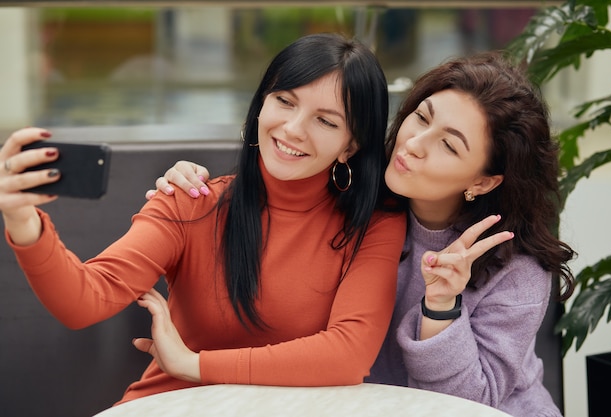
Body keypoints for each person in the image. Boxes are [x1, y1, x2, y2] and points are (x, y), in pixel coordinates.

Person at [150, 51, 576, 417]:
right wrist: (194, 191)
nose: (414, 144)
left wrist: (442, 310)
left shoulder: (517, 269)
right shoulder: (353, 205)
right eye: (421, 118)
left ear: (483, 182)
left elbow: (468, 405)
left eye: (449, 145)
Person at [0, 33, 412, 405]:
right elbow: (83, 301)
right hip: (171, 406)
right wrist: (22, 220)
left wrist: (193, 364)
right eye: (284, 101)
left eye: (325, 121)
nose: (293, 129)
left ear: (350, 145)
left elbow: (347, 355)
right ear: (261, 104)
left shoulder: (375, 223)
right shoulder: (191, 201)